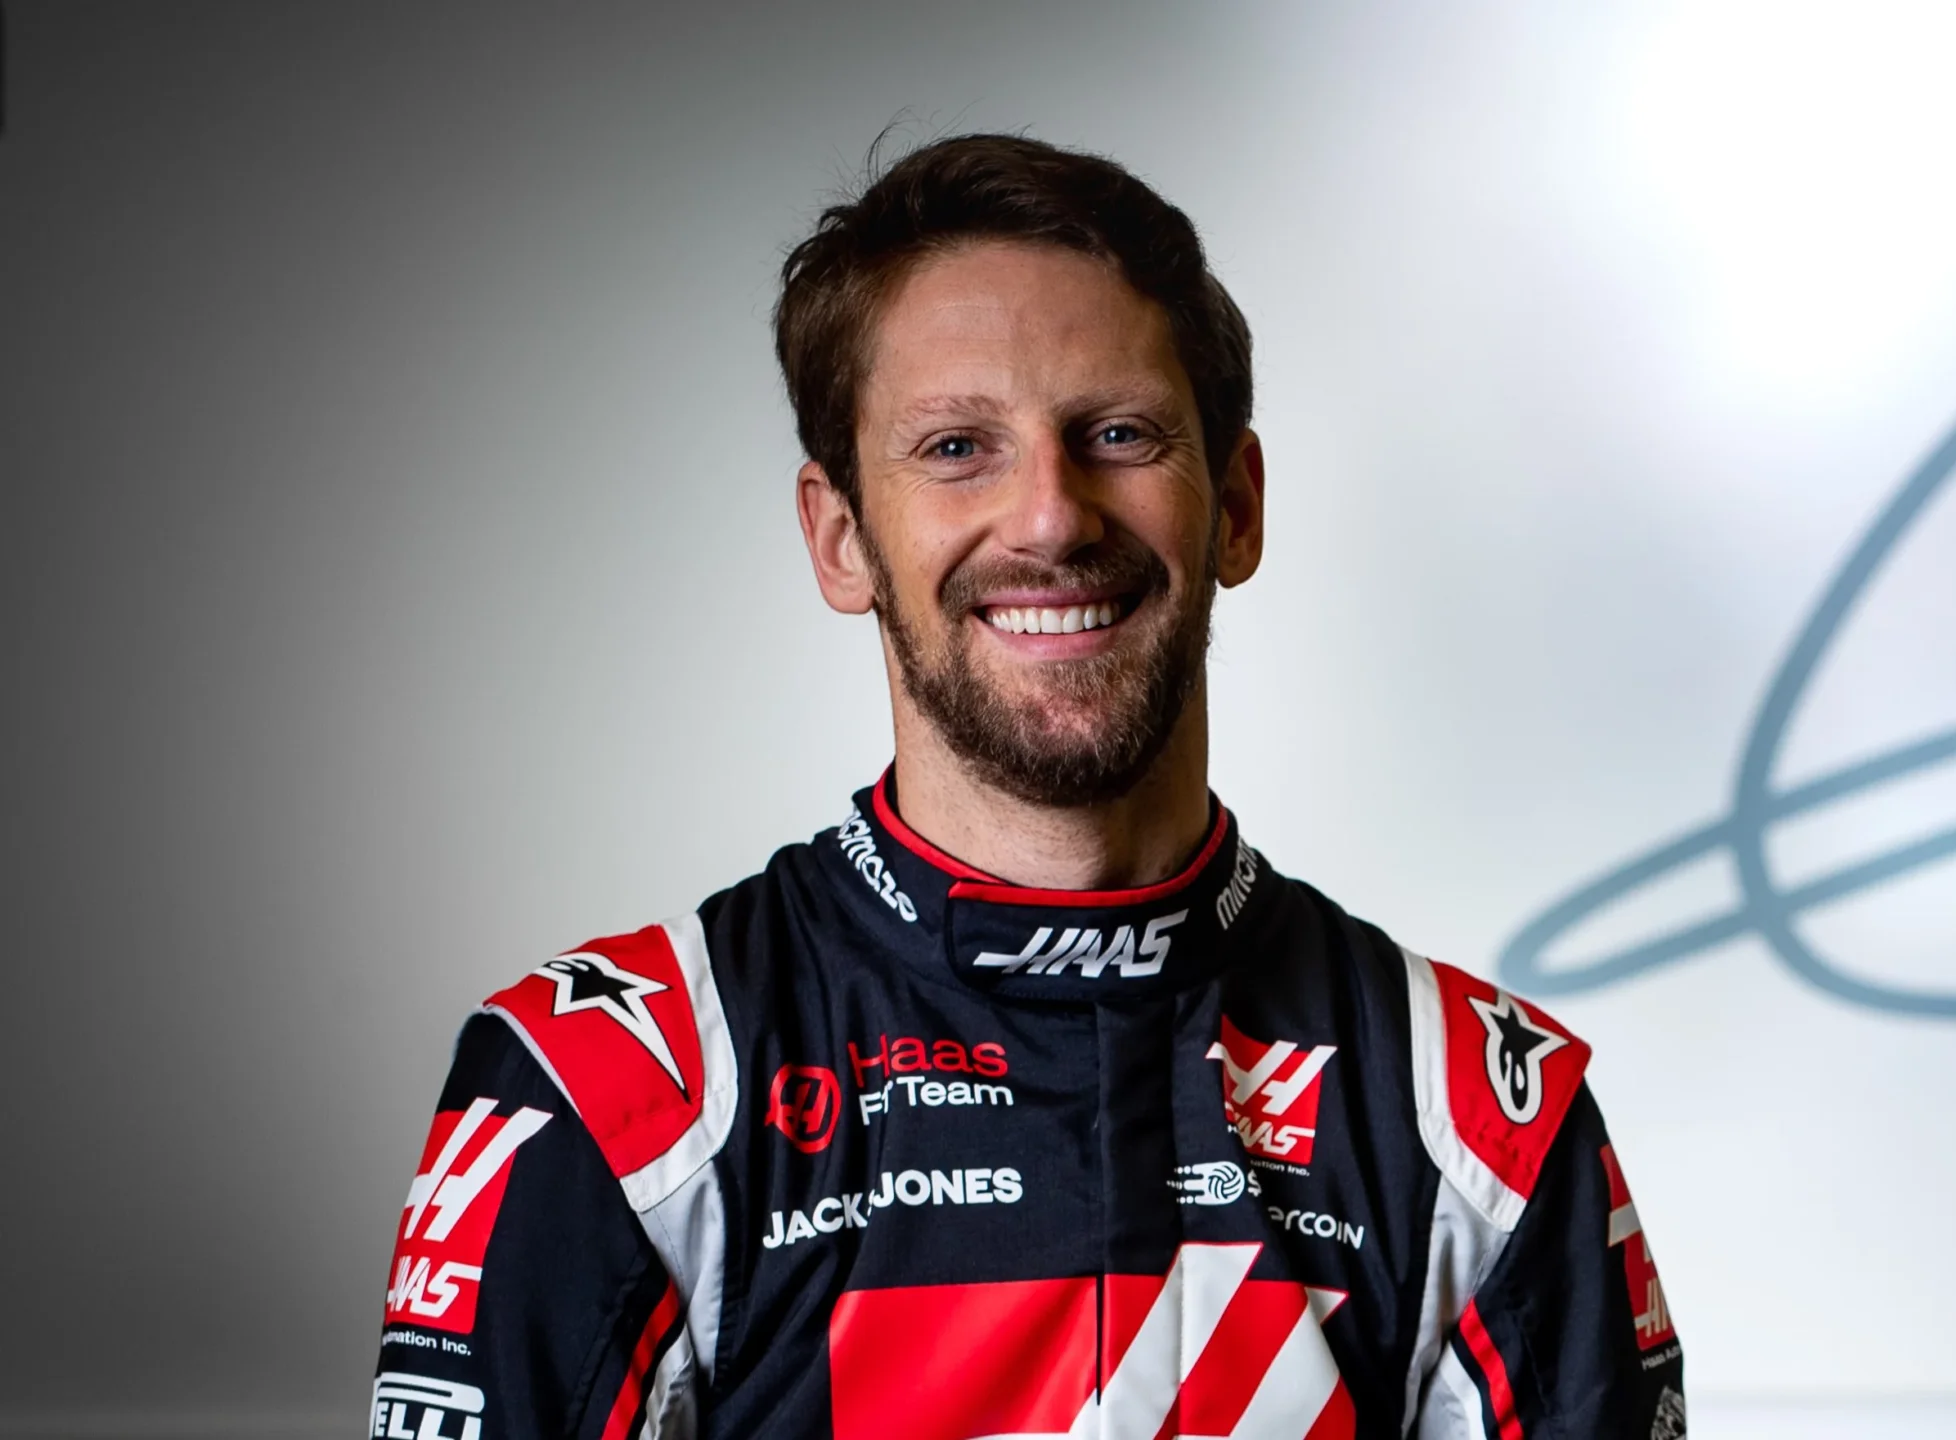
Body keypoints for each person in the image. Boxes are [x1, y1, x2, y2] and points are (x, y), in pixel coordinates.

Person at [370, 133, 1684, 1440]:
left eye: (1117, 434)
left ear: (1235, 505)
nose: (1053, 517)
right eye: (957, 447)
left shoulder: (1483, 1115)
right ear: (841, 536)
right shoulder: (609, 1092)